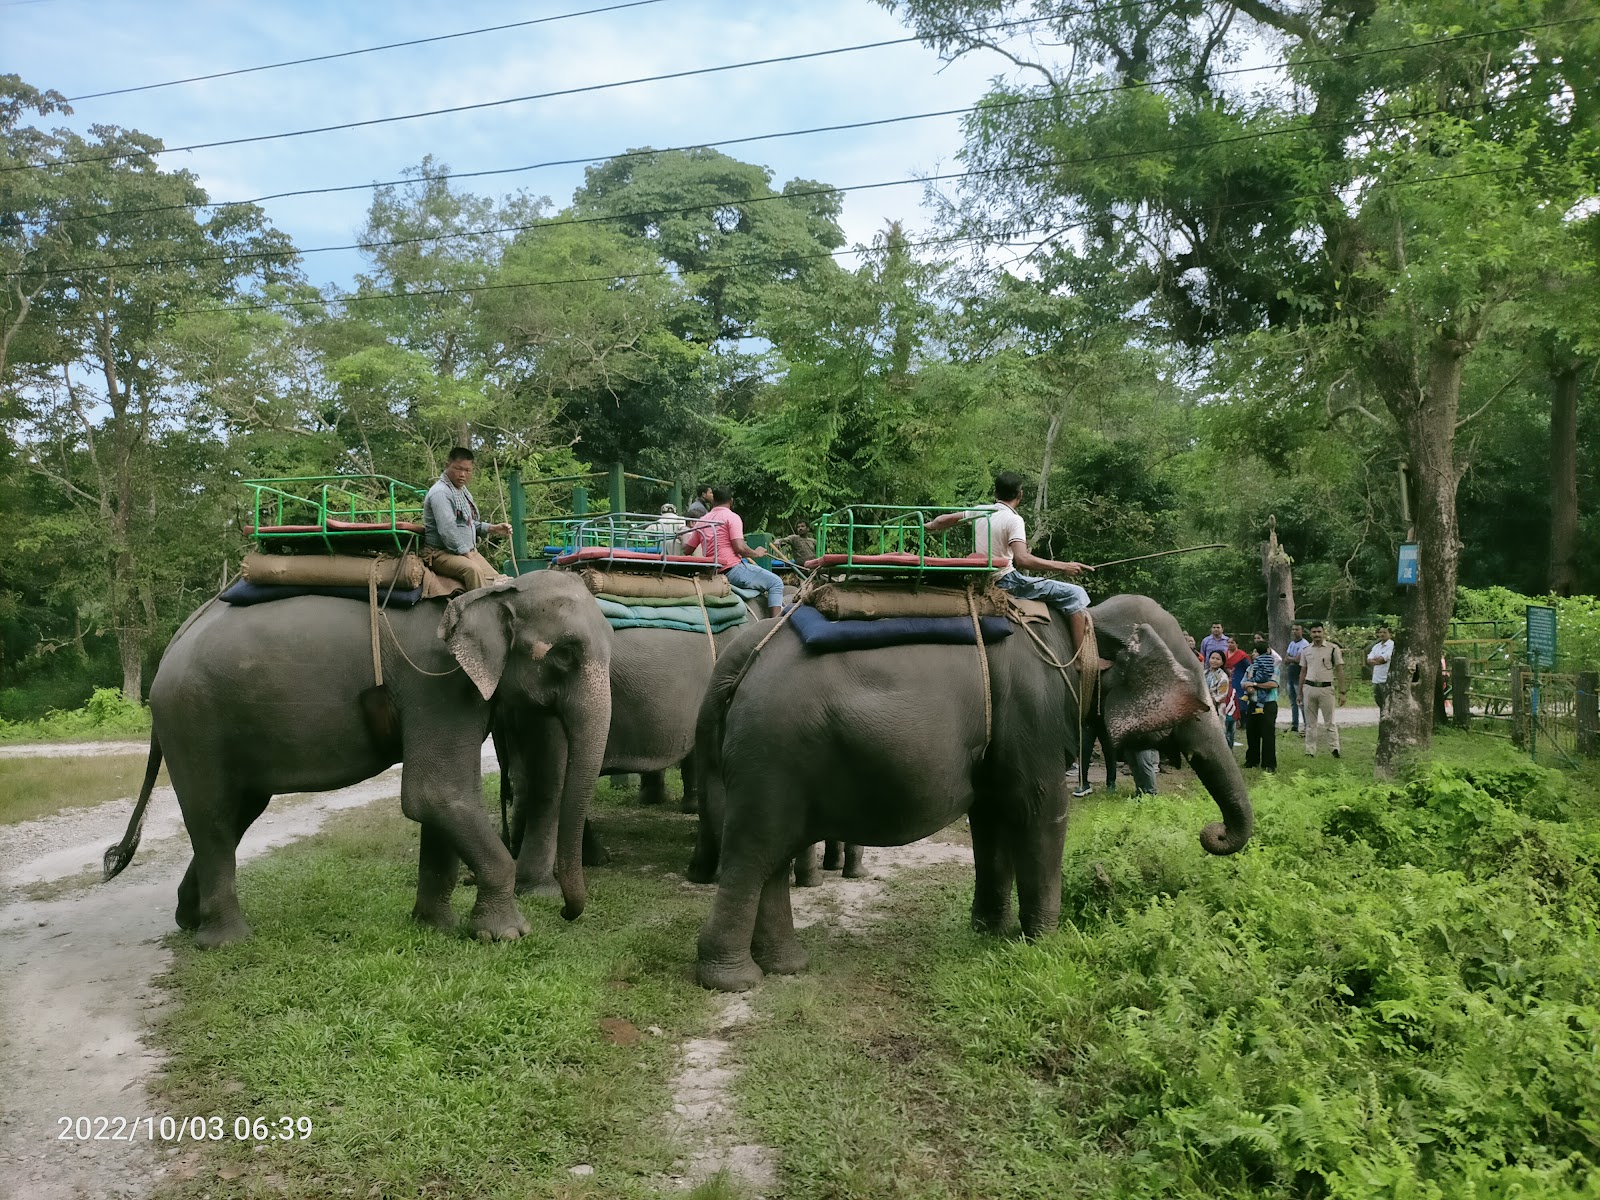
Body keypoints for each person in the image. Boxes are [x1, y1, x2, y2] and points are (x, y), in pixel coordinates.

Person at [922, 471, 1096, 656]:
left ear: (995, 492)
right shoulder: (1014, 520)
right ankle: (1082, 658)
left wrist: (929, 525)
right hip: (1007, 581)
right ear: (1020, 494)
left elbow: (944, 520)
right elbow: (1023, 559)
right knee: (1075, 593)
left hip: (981, 578)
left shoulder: (981, 510)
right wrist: (1065, 566)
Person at [680, 486, 784, 617]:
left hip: (712, 571)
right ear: (731, 501)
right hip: (732, 570)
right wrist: (756, 553)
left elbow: (687, 550)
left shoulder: (702, 521)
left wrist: (683, 537)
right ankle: (775, 622)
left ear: (713, 501)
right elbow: (739, 547)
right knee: (776, 583)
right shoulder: (732, 517)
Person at [421, 447, 512, 591]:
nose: (462, 474)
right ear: (447, 465)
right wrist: (466, 553)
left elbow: (467, 523)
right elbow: (447, 529)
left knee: (500, 580)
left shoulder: (462, 491)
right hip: (440, 553)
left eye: (467, 470)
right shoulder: (441, 493)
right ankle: (479, 605)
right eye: (458, 469)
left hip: (465, 551)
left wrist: (493, 528)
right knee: (473, 570)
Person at [1299, 621, 1345, 758]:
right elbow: (1303, 671)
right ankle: (1310, 750)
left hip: (1326, 688)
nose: (1317, 635)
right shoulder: (1306, 650)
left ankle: (1335, 749)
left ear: (1323, 632)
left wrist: (1342, 692)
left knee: (1330, 722)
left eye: (1319, 631)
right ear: (1310, 634)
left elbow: (1340, 670)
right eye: (1314, 632)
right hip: (1309, 688)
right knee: (1310, 723)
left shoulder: (1332, 648)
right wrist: (1299, 693)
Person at [1241, 634, 1280, 771]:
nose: (1254, 654)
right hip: (1252, 703)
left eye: (1256, 652)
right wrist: (1248, 687)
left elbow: (1273, 684)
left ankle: (1269, 763)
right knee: (1252, 733)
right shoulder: (1250, 668)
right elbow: (1243, 683)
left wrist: (1255, 684)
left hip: (1268, 705)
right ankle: (1252, 760)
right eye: (1254, 652)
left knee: (1268, 734)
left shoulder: (1274, 668)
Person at [1204, 650, 1238, 748]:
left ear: (1222, 662)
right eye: (1212, 658)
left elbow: (1221, 695)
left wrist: (1210, 699)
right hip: (1205, 707)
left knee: (1219, 736)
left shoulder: (1223, 677)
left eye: (1217, 659)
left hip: (1217, 708)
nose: (1214, 661)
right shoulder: (1205, 673)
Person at [1225, 636, 1251, 748]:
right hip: (1227, 681)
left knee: (1240, 701)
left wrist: (1247, 679)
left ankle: (1243, 722)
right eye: (1229, 642)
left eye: (1233, 642)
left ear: (1237, 644)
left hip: (1239, 681)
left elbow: (1249, 668)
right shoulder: (1224, 655)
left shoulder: (1242, 656)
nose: (1230, 644)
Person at [1284, 622, 1310, 735]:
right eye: (1293, 629)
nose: (1294, 631)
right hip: (1291, 674)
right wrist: (1292, 659)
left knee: (1301, 702)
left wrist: (1292, 659)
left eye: (1297, 629)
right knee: (1293, 702)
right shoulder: (1292, 643)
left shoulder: (1304, 644)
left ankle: (1307, 725)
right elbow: (1286, 659)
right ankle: (1294, 724)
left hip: (1299, 675)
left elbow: (1299, 660)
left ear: (1302, 631)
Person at [1367, 625, 1395, 713]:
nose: (1382, 634)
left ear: (1390, 634)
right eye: (1380, 632)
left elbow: (1383, 659)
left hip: (1386, 679)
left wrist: (1376, 660)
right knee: (1379, 701)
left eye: (1385, 632)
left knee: (1387, 702)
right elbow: (1369, 660)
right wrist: (1377, 660)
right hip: (1376, 679)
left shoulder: (1392, 646)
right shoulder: (1376, 647)